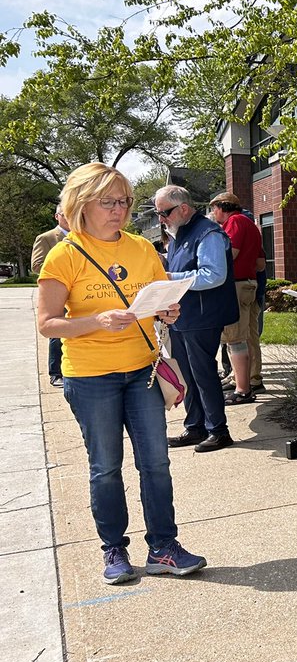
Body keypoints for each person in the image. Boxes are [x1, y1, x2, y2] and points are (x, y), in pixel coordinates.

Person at [36, 162, 206, 585]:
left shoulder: (141, 248)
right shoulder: (64, 254)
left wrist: (168, 308)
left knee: (156, 464)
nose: (119, 209)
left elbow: (161, 297)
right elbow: (47, 324)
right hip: (91, 376)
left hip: (142, 371)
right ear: (82, 203)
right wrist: (97, 321)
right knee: (106, 467)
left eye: (125, 201)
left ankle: (164, 547)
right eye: (108, 201)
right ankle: (114, 548)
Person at [155, 185, 239, 452]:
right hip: (182, 315)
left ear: (183, 208)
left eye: (164, 212)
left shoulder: (208, 233)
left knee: (203, 374)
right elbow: (184, 264)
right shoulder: (180, 231)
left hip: (202, 316)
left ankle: (218, 430)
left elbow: (214, 275)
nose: (161, 218)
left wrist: (169, 277)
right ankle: (195, 427)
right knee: (187, 374)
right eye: (157, 213)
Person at [208, 192, 265, 403]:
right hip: (250, 284)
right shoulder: (251, 225)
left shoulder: (234, 222)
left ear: (223, 207)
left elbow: (229, 253)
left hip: (236, 285)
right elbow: (261, 264)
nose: (213, 213)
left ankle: (243, 388)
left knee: (234, 337)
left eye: (214, 208)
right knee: (250, 334)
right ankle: (252, 377)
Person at [31, 205, 69, 388]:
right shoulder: (46, 238)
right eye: (65, 214)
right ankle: (56, 372)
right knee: (57, 330)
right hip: (57, 290)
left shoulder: (84, 236)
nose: (69, 217)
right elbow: (36, 265)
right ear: (57, 216)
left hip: (78, 291)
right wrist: (61, 265)